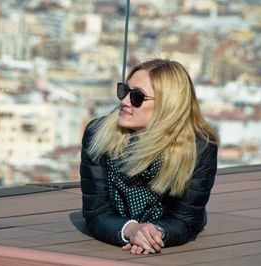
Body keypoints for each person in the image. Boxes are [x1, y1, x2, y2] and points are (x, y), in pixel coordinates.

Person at [80, 59, 219, 255]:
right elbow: (96, 212)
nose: (124, 101)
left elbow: (186, 219)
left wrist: (155, 233)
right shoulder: (98, 133)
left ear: (167, 105)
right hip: (118, 233)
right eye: (124, 91)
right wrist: (131, 230)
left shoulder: (198, 146)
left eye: (137, 96)